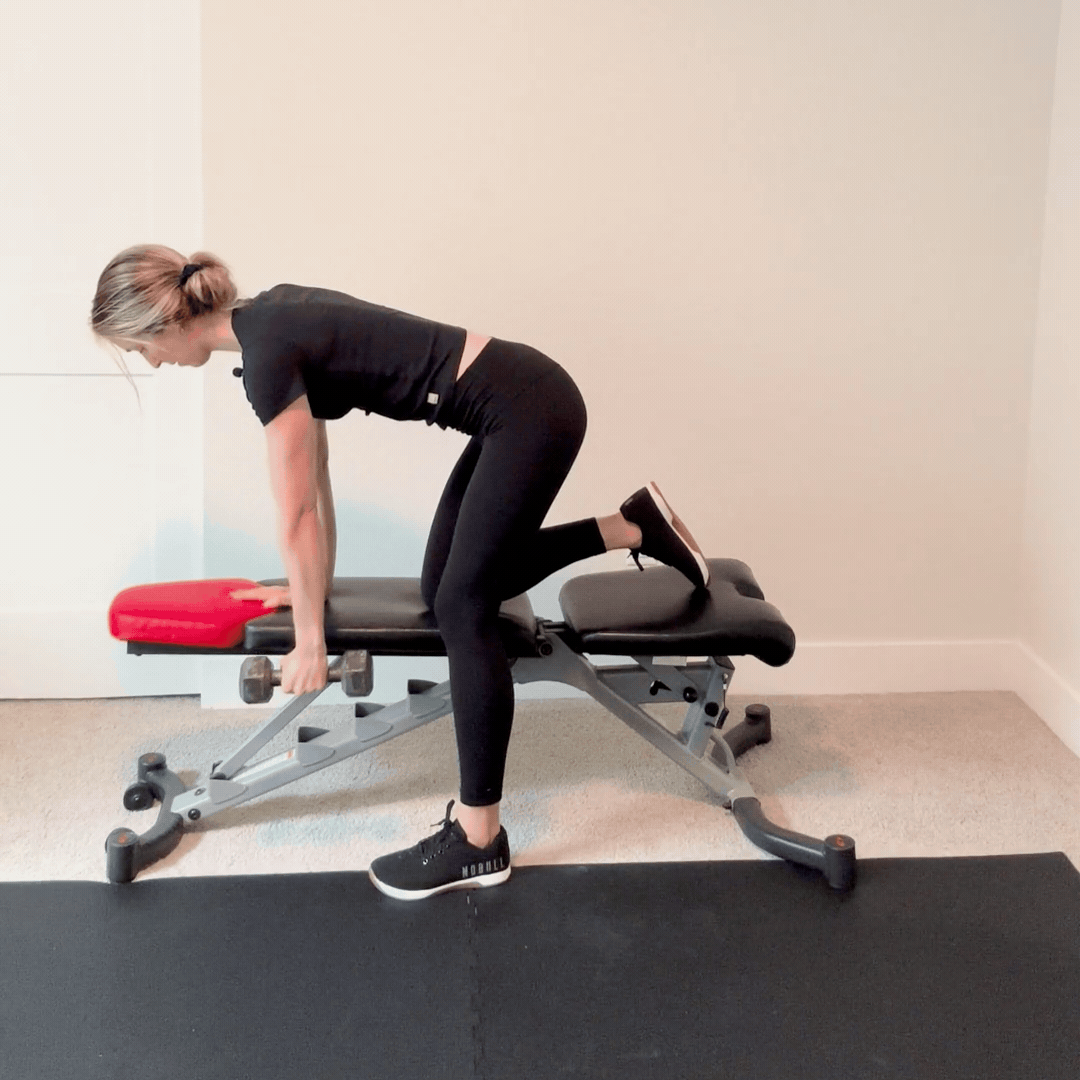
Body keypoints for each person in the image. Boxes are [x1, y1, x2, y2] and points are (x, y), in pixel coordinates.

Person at [91, 244, 711, 900]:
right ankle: (631, 527)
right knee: (444, 586)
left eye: (140, 348)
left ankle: (479, 839)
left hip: (528, 411)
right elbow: (317, 479)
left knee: (462, 607)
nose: (151, 362)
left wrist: (310, 640)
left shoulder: (269, 353)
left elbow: (297, 513)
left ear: (164, 323)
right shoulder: (270, 321)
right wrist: (310, 594)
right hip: (522, 402)